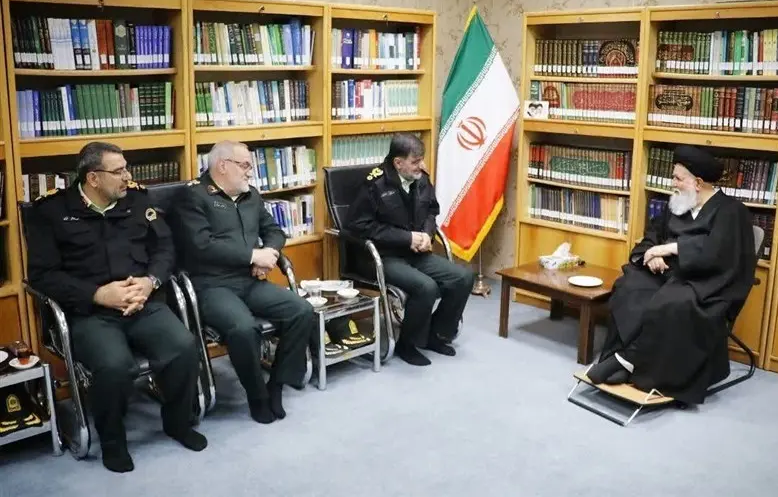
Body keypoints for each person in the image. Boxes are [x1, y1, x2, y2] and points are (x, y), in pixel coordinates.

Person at [26, 142, 207, 474]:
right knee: (114, 366)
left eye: (127, 168)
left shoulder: (137, 200)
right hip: (90, 312)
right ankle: (113, 441)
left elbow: (165, 247)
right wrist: (96, 294)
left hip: (142, 302)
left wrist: (150, 281)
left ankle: (178, 422)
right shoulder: (50, 212)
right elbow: (42, 276)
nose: (127, 176)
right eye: (119, 171)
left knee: (183, 347)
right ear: (93, 178)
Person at [589, 144, 757, 404]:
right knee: (629, 286)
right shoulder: (678, 204)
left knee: (673, 302)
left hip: (707, 284)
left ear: (698, 183)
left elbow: (718, 254)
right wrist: (652, 255)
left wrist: (670, 248)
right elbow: (652, 237)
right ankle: (623, 359)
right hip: (668, 275)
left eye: (678, 178)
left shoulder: (731, 211)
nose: (673, 183)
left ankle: (630, 361)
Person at [173, 140, 314, 424]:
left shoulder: (251, 195)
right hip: (212, 284)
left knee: (302, 311)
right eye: (245, 165)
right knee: (243, 328)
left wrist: (269, 254)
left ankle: (276, 384)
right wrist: (252, 256)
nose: (251, 171)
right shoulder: (192, 196)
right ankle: (257, 395)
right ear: (222, 166)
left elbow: (274, 231)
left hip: (249, 279)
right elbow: (201, 246)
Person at [345, 133, 475, 366]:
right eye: (415, 161)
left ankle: (436, 334)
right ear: (398, 162)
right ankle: (408, 343)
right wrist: (407, 238)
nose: (421, 165)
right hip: (383, 256)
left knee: (463, 277)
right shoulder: (374, 184)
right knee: (426, 287)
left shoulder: (421, 179)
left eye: (421, 159)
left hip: (416, 252)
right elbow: (359, 226)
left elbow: (431, 210)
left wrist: (426, 234)